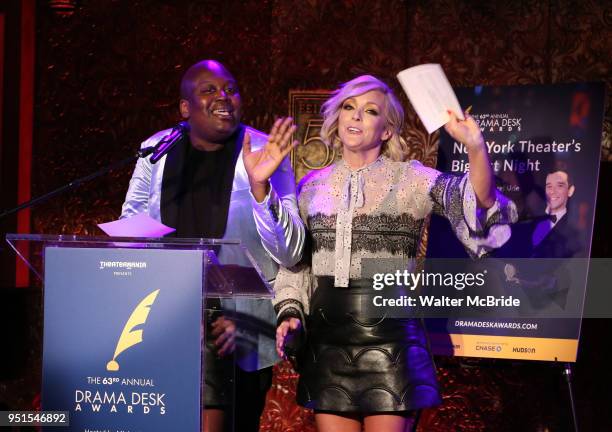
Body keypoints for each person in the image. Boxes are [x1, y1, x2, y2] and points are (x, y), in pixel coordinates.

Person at [244, 75, 517, 432]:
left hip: (392, 343)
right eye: (348, 107)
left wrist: (476, 146)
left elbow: (479, 206)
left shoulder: (412, 179)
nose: (355, 117)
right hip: (328, 343)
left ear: (387, 130)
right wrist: (291, 313)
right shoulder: (312, 186)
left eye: (369, 111)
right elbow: (296, 264)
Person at [121, 59, 304, 432]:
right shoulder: (156, 150)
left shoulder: (266, 150)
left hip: (240, 329)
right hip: (165, 320)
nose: (224, 97)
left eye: (231, 89)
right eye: (209, 90)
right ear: (185, 108)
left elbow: (289, 253)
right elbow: (130, 232)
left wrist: (260, 189)